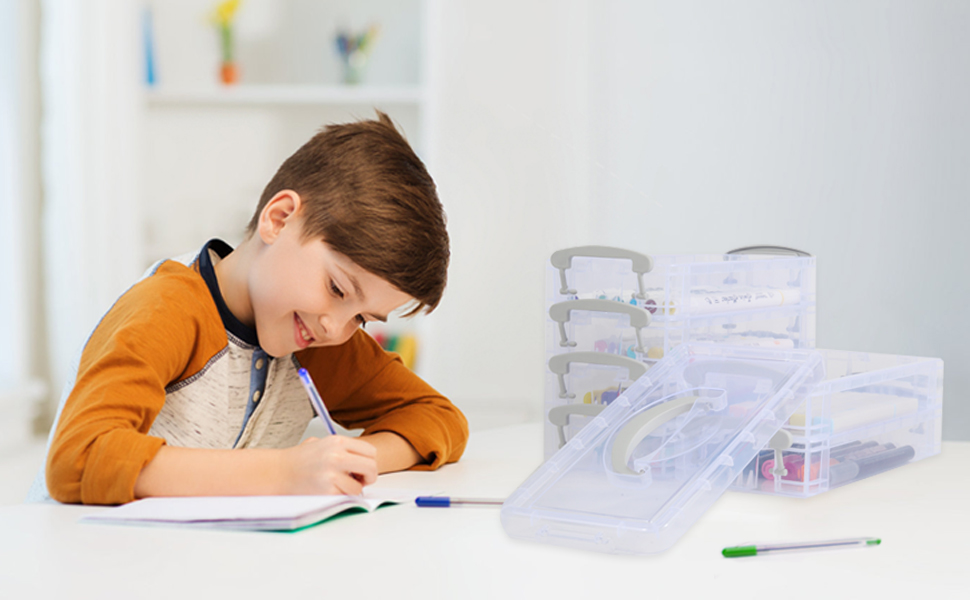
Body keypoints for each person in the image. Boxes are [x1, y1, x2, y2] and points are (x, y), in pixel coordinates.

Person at [33, 111, 468, 505]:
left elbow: (440, 419)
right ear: (278, 219)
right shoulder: (167, 309)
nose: (335, 327)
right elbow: (79, 457)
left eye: (362, 317)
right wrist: (285, 473)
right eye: (336, 288)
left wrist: (347, 460)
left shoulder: (319, 338)